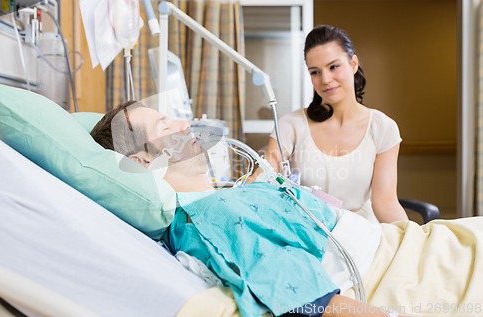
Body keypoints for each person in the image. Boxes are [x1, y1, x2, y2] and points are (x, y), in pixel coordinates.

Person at [91, 101, 412, 317]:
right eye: (164, 126)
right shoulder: (211, 217)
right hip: (394, 267)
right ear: (143, 162)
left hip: (398, 243)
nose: (184, 124)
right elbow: (314, 303)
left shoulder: (225, 198)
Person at [251, 25, 407, 224]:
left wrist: (411, 240)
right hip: (306, 234)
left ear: (353, 64)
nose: (325, 79)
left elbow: (385, 202)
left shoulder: (383, 128)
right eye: (315, 72)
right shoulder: (291, 125)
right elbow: (261, 179)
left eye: (334, 67)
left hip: (361, 237)